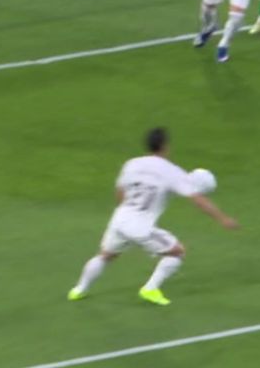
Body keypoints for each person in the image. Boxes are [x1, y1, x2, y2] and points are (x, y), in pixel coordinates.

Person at [68, 128, 238, 306]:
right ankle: (150, 288)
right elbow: (198, 200)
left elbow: (119, 193)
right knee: (178, 252)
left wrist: (127, 214)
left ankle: (78, 290)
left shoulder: (131, 164)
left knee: (106, 255)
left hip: (120, 219)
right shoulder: (171, 171)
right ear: (165, 146)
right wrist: (223, 219)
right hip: (140, 226)